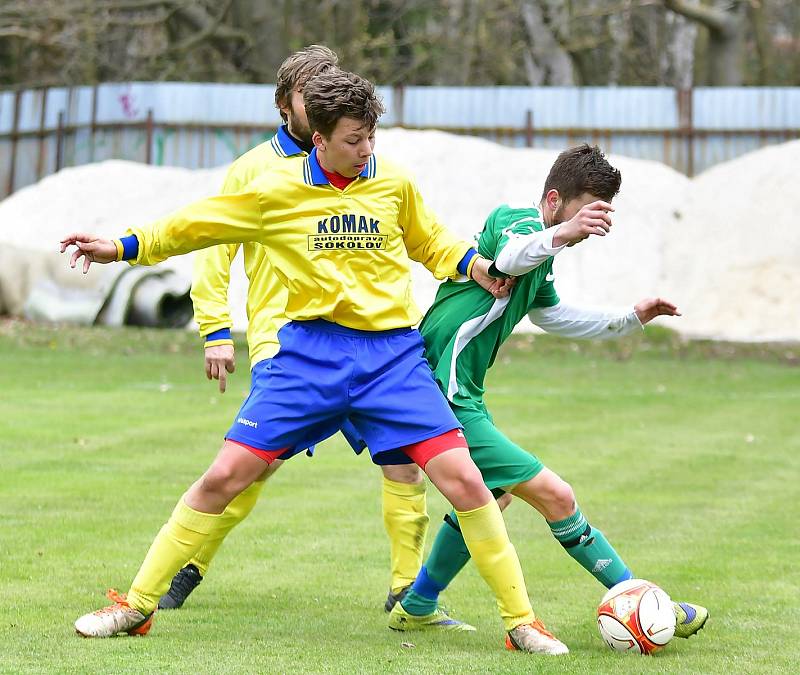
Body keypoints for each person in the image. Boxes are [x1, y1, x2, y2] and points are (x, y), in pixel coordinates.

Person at [63, 70, 569, 655]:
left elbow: (431, 242)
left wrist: (475, 267)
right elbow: (192, 227)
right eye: (354, 139)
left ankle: (521, 622)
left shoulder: (394, 183)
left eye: (371, 137)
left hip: (391, 361)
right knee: (226, 476)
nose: (366, 149)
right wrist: (120, 247)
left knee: (464, 480)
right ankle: (136, 606)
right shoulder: (273, 191)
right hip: (307, 358)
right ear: (320, 138)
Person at [384, 144, 709, 648]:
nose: (587, 230)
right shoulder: (514, 222)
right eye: (585, 214)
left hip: (456, 390)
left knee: (494, 493)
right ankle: (642, 600)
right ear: (554, 201)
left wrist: (632, 317)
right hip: (437, 389)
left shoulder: (545, 258)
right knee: (555, 494)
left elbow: (553, 316)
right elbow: (510, 257)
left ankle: (418, 605)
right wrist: (561, 234)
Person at [161, 45, 430, 615]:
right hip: (288, 342)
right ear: (287, 104)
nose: (324, 97)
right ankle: (189, 563)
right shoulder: (257, 170)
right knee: (256, 464)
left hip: (374, 346)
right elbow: (212, 247)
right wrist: (215, 329)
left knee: (406, 459)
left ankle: (407, 592)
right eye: (312, 90)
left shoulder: (367, 168)